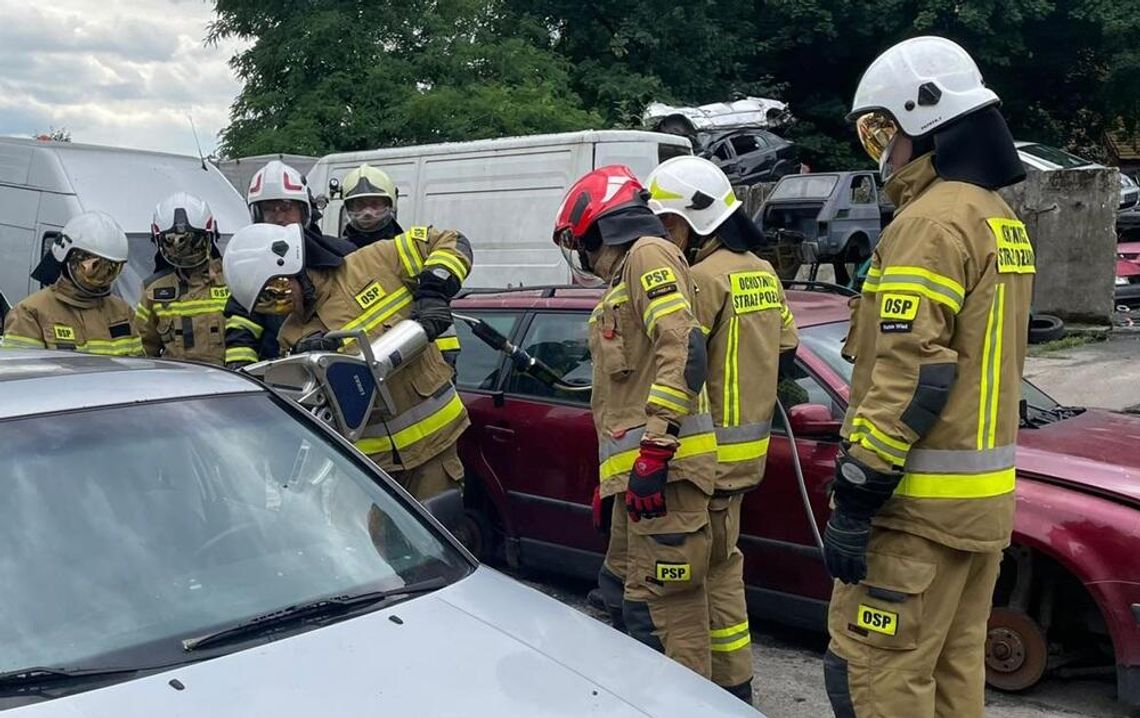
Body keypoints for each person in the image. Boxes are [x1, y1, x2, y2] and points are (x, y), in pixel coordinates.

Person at [822, 36, 1033, 718]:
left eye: (883, 130)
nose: (881, 150)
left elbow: (913, 370)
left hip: (913, 516)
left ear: (925, 122)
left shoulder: (931, 223)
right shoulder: (999, 221)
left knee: (873, 677)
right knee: (951, 683)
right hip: (977, 515)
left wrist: (858, 490)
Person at [553, 165, 718, 680]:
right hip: (642, 481)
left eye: (580, 240)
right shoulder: (627, 272)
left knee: (665, 613)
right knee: (621, 591)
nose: (581, 252)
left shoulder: (648, 255)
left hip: (666, 474)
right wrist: (617, 482)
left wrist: (656, 449)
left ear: (600, 224)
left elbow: (683, 348)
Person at [646, 155, 800, 703]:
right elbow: (786, 345)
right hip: (748, 457)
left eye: (667, 224)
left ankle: (692, 698)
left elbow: (681, 360)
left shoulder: (702, 279)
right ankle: (737, 686)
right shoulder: (762, 270)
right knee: (724, 575)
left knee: (682, 585)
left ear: (686, 222)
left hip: (704, 458)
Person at [222, 216, 473, 502]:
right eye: (267, 305)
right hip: (374, 468)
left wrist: (433, 293)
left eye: (276, 293)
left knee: (440, 535)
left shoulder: (375, 260)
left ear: (293, 266)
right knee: (384, 545)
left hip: (436, 446)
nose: (281, 308)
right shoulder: (292, 335)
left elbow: (452, 241)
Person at [223, 160, 356, 369]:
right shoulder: (252, 268)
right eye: (269, 209)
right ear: (258, 216)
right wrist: (244, 375)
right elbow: (242, 329)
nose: (278, 217)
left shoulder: (341, 253)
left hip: (347, 365)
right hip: (280, 377)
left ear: (304, 211)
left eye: (286, 207)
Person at [338, 163, 461, 368]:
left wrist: (434, 291)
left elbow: (454, 244)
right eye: (359, 206)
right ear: (348, 209)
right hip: (370, 362)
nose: (368, 213)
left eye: (375, 204)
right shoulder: (339, 257)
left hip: (432, 354)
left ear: (391, 204)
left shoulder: (411, 246)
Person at [1, 211, 143, 357]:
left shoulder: (122, 311)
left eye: (111, 270)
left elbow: (138, 370)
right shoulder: (30, 313)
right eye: (93, 268)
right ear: (67, 258)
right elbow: (24, 373)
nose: (101, 280)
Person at [135, 193, 229, 365]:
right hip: (177, 386)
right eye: (172, 243)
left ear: (211, 236)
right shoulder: (153, 291)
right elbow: (143, 348)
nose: (184, 254)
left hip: (230, 382)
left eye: (194, 243)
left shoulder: (232, 281)